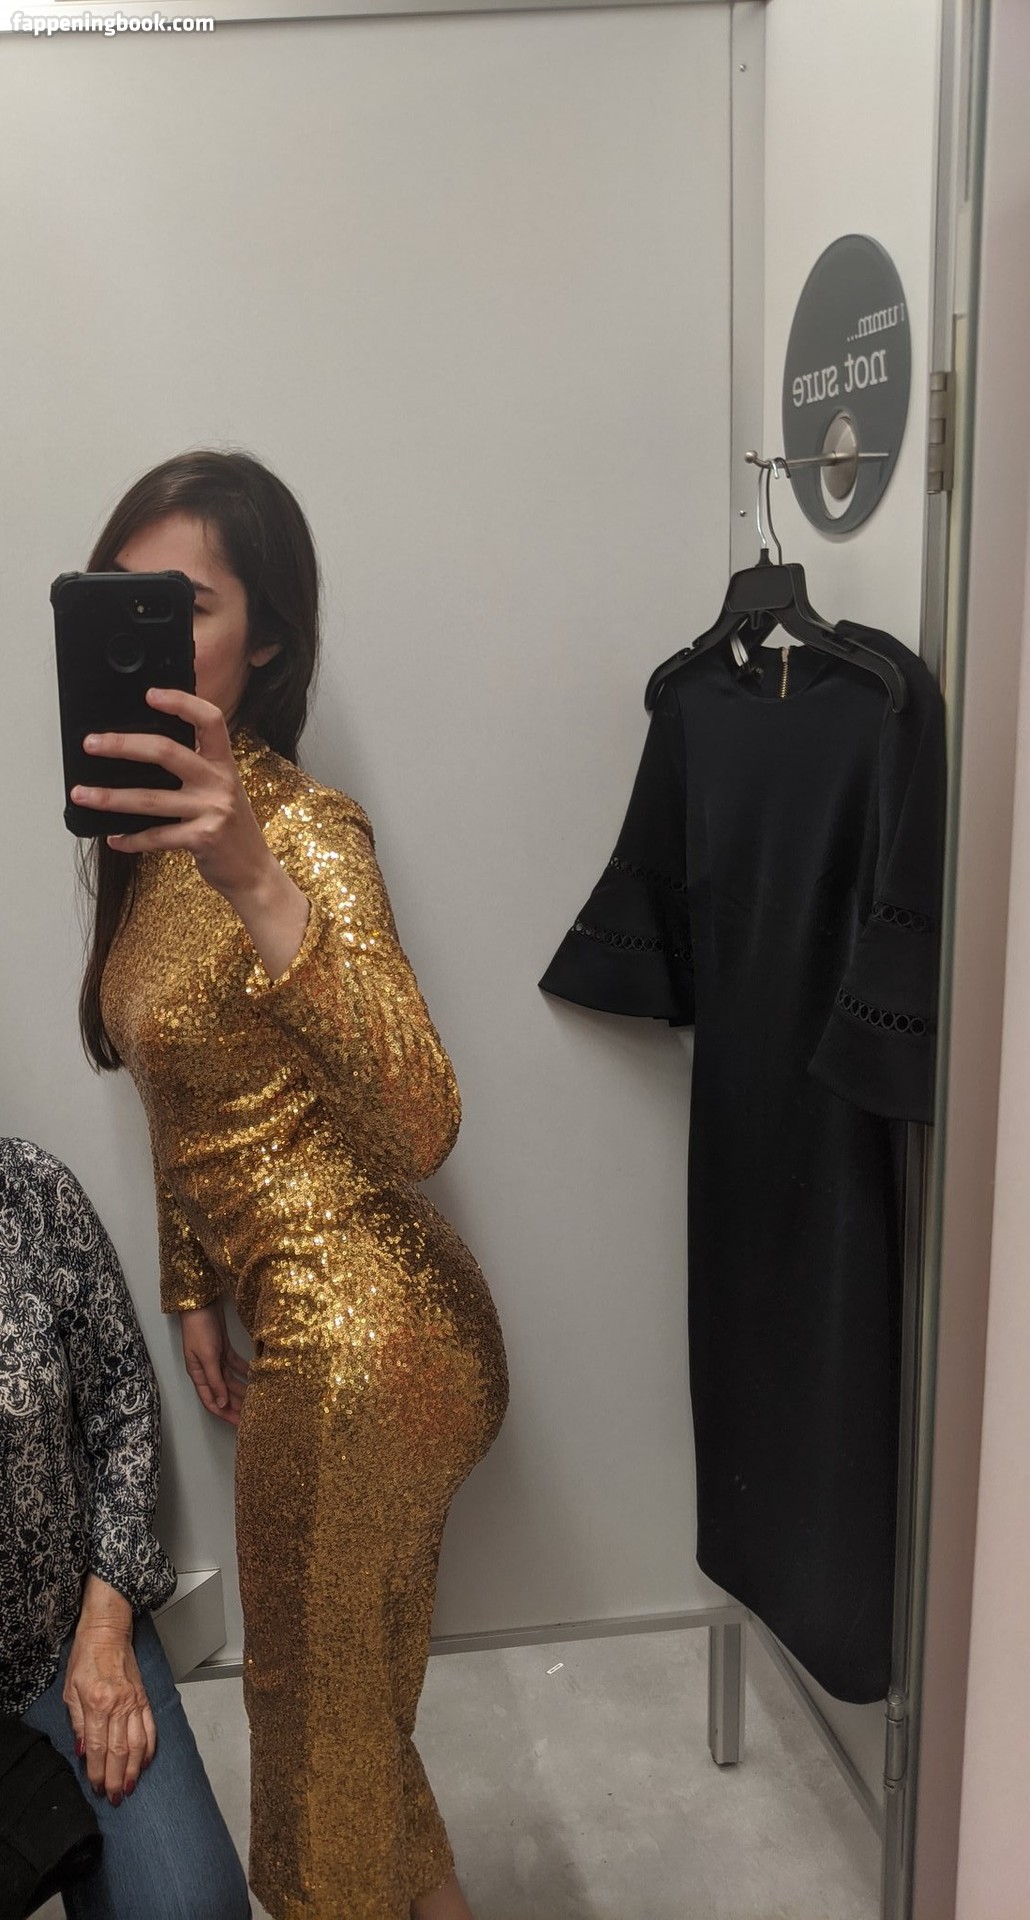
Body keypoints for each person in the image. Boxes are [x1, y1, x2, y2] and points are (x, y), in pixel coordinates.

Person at [71, 450, 509, 1920]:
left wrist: (261, 882)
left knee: (311, 1761)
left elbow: (424, 1118)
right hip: (310, 1329)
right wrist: (191, 1284)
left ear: (264, 638)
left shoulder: (302, 834)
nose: (150, 636)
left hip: (374, 1343)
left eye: (183, 605)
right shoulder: (141, 838)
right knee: (350, 1728)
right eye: (122, 603)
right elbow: (177, 1085)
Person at [0, 1134, 251, 1920]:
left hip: (61, 1636)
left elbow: (122, 1403)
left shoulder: (29, 1188)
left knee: (193, 1908)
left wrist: (105, 1627)